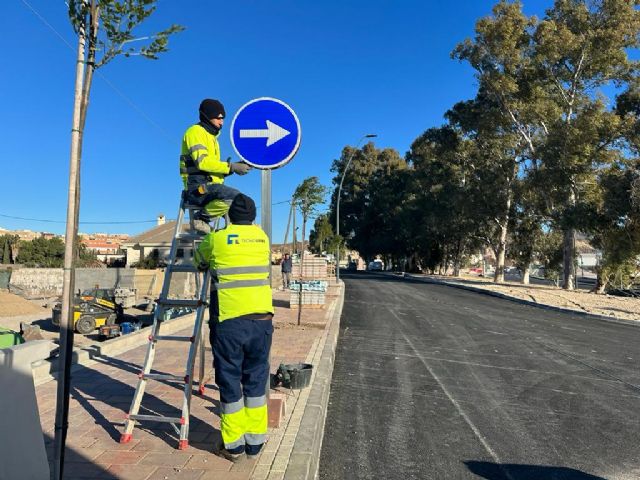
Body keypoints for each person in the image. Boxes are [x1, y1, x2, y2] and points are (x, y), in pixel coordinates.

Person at [194, 193, 274, 462]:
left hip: (230, 322)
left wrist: (205, 229)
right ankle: (255, 443)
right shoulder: (263, 239)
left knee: (229, 382)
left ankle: (234, 446)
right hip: (262, 321)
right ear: (252, 216)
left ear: (230, 216)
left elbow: (200, 260)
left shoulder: (216, 239)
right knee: (256, 380)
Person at [180, 99, 251, 226]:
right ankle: (201, 219)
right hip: (197, 189)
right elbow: (203, 163)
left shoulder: (212, 138)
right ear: (208, 116)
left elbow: (212, 170)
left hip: (210, 187)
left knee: (242, 207)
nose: (222, 122)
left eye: (223, 119)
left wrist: (234, 168)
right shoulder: (195, 132)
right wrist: (232, 167)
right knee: (235, 197)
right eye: (219, 118)